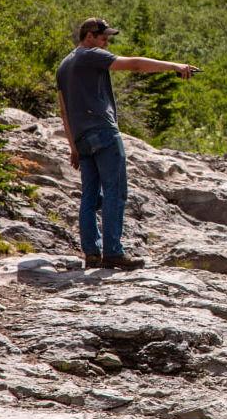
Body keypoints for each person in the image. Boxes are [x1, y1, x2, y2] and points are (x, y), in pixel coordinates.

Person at [56, 17, 200, 270]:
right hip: (103, 131)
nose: (107, 42)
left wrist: (73, 147)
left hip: (82, 139)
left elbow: (64, 110)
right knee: (115, 191)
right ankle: (113, 251)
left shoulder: (63, 66)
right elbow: (133, 64)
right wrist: (174, 66)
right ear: (89, 36)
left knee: (89, 196)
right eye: (103, 37)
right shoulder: (90, 55)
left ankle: (91, 253)